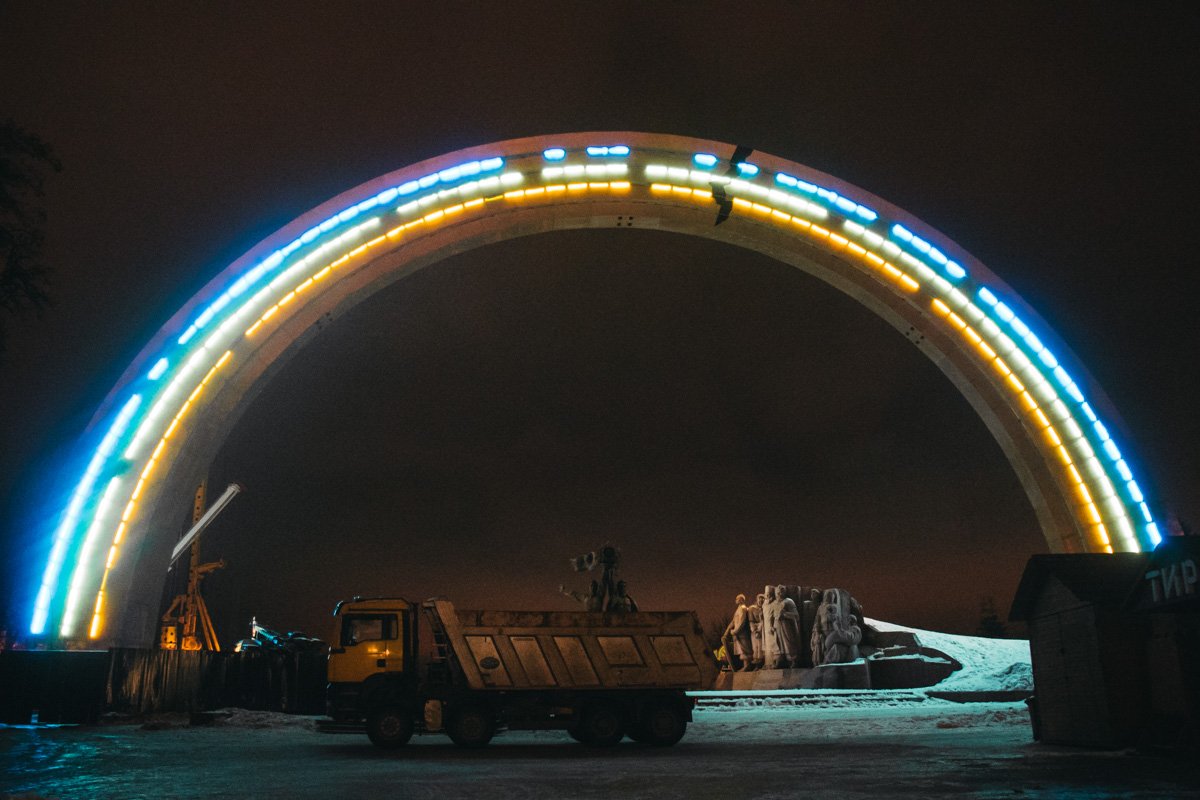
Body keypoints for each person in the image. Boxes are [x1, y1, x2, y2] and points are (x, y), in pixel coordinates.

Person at [722, 594, 754, 671]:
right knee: (741, 650)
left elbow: (742, 622)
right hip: (738, 634)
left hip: (742, 633)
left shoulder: (743, 608)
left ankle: (748, 665)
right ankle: (745, 665)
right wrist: (726, 633)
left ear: (741, 600)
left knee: (745, 649)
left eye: (737, 599)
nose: (736, 600)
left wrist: (736, 631)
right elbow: (733, 622)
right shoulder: (738, 609)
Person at [776, 585, 802, 668]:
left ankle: (794, 661)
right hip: (779, 627)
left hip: (787, 627)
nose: (780, 593)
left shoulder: (789, 601)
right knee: (780, 644)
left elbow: (796, 616)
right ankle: (784, 661)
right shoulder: (778, 603)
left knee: (789, 643)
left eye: (781, 591)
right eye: (778, 592)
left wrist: (784, 614)